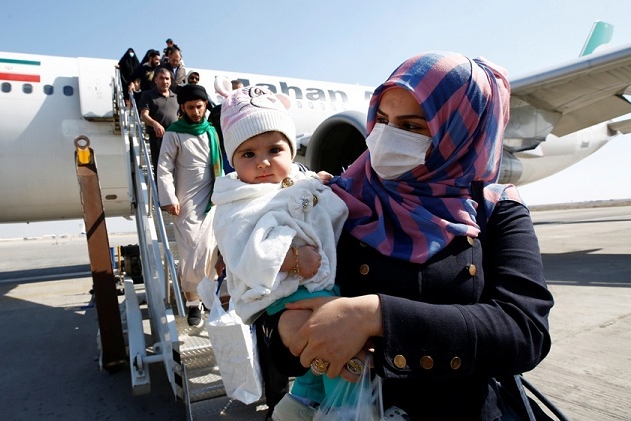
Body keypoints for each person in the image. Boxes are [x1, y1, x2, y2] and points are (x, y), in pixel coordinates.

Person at [261, 51, 555, 420]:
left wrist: (376, 316)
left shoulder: (496, 209)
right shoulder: (334, 200)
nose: (385, 137)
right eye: (382, 120)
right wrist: (286, 329)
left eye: (412, 126)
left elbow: (523, 331)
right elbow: (278, 305)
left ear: (459, 132)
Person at [211, 86, 349, 419]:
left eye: (274, 149)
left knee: (323, 346)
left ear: (292, 150)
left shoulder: (297, 183)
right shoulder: (236, 200)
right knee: (329, 344)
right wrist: (292, 260)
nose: (263, 162)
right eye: (248, 155)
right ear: (233, 161)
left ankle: (305, 399)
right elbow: (241, 248)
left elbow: (307, 205)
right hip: (284, 297)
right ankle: (346, 406)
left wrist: (319, 186)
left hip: (319, 285)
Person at [157, 83, 223, 327]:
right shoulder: (174, 133)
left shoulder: (211, 131)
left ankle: (208, 297)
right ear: (182, 108)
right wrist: (169, 198)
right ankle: (193, 302)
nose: (196, 112)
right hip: (186, 201)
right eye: (190, 107)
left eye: (199, 106)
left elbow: (220, 165)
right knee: (189, 252)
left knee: (210, 250)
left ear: (205, 105)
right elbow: (164, 168)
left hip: (212, 196)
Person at [138, 67, 178, 180]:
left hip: (175, 137)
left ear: (171, 81)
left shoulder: (176, 97)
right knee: (160, 168)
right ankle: (160, 195)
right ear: (155, 80)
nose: (164, 81)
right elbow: (144, 115)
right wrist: (155, 124)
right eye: (161, 78)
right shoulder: (148, 95)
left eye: (167, 79)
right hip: (158, 137)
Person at [208, 79, 246, 174]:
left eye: (240, 90)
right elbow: (210, 132)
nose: (237, 93)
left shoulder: (247, 109)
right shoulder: (216, 111)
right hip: (223, 154)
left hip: (244, 153)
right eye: (234, 90)